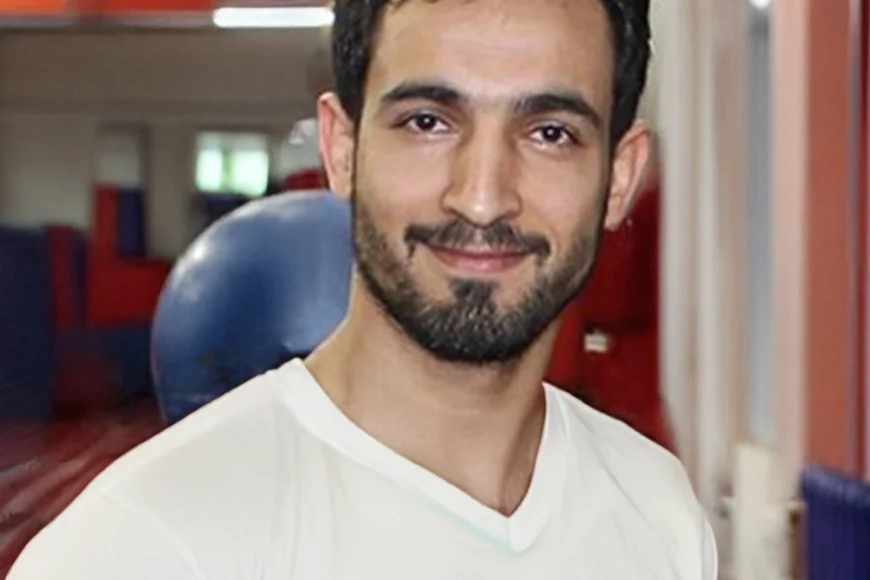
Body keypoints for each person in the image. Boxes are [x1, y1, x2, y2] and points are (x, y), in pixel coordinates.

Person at [8, 0, 718, 578]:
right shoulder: (145, 547)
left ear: (620, 178)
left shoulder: (657, 512)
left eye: (551, 133)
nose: (481, 198)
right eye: (427, 123)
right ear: (341, 150)